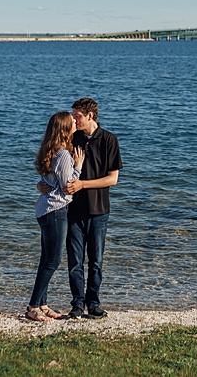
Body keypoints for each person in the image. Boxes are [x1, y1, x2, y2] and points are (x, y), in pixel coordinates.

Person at [63, 97, 122, 319]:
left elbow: (112, 179)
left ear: (90, 115)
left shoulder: (109, 140)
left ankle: (93, 303)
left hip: (99, 211)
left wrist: (83, 184)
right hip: (74, 210)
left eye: (77, 116)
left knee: (96, 262)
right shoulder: (73, 138)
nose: (74, 120)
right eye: (73, 115)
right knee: (74, 262)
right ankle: (77, 304)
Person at [26, 111, 85, 322]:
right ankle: (33, 306)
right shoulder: (63, 155)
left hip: (45, 210)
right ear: (65, 129)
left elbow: (49, 182)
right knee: (53, 261)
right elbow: (68, 187)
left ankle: (42, 304)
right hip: (55, 211)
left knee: (45, 260)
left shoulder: (50, 151)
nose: (75, 125)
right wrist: (78, 166)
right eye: (72, 123)